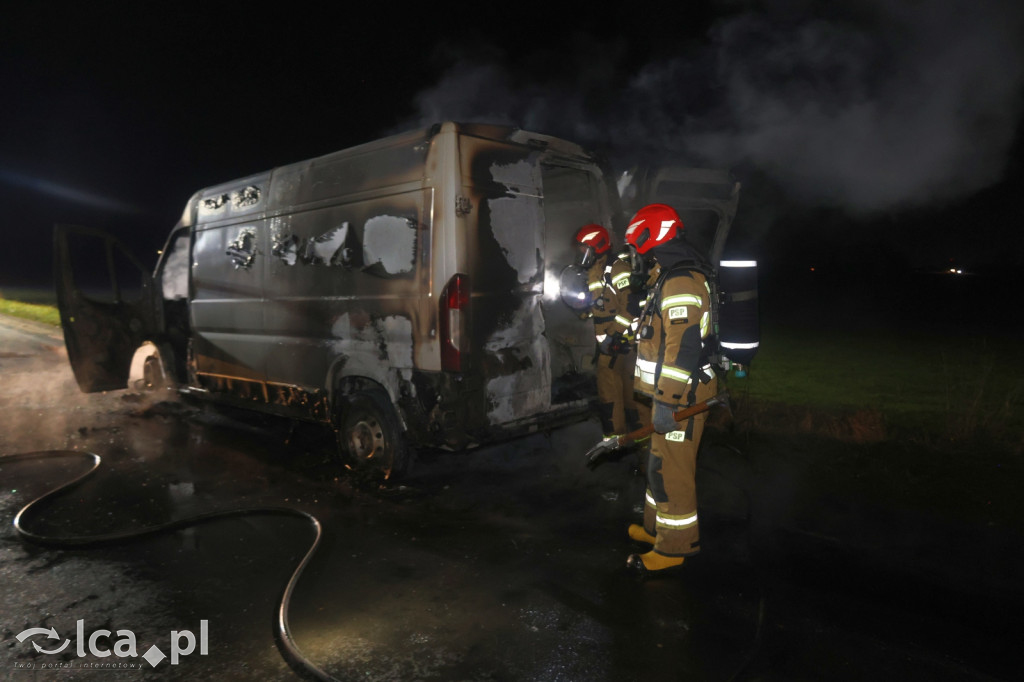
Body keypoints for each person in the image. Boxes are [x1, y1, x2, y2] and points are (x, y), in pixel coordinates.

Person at [622, 204, 719, 578]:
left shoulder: (680, 281)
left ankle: (674, 548)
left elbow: (684, 350)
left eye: (637, 245)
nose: (637, 254)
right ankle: (655, 530)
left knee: (673, 471)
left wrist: (667, 400)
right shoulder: (667, 275)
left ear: (652, 237)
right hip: (671, 397)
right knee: (658, 464)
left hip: (683, 398)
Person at [573, 224, 648, 440]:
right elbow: (602, 304)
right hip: (612, 341)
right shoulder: (595, 270)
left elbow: (631, 306)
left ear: (597, 246)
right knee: (627, 389)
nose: (582, 253)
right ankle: (638, 438)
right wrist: (584, 310)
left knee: (612, 392)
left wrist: (613, 335)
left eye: (585, 249)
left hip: (621, 341)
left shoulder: (617, 269)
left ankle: (618, 440)